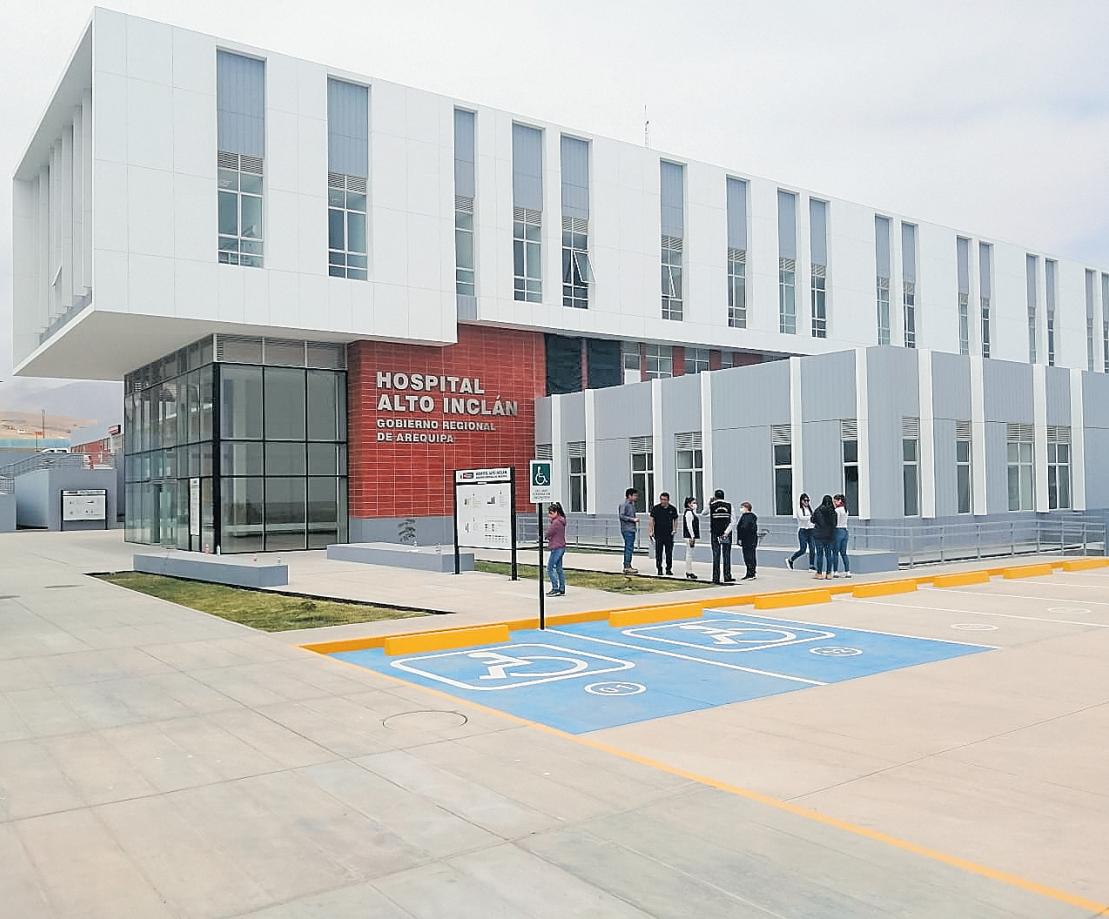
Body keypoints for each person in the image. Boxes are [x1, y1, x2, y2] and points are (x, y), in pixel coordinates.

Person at [708, 489, 736, 584]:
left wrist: (709, 502)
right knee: (726, 554)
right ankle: (727, 576)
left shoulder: (712, 505)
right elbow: (733, 521)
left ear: (715, 496)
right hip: (726, 533)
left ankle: (716, 577)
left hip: (715, 533)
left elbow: (704, 512)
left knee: (716, 555)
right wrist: (726, 532)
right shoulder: (729, 505)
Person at [648, 492, 679, 575]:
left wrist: (674, 529)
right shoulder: (656, 509)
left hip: (669, 534)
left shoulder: (672, 509)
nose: (663, 501)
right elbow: (651, 520)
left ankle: (668, 569)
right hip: (658, 534)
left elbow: (676, 519)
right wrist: (651, 531)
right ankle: (659, 568)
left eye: (665, 500)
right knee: (658, 552)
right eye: (661, 499)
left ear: (668, 500)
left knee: (669, 553)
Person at [810, 494, 838, 580]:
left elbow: (812, 520)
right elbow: (835, 524)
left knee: (819, 555)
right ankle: (829, 573)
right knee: (829, 555)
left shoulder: (818, 510)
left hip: (819, 535)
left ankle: (819, 573)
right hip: (829, 536)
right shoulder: (833, 512)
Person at [787, 494, 814, 571]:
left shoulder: (810, 509)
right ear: (802, 501)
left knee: (812, 548)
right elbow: (802, 518)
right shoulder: (799, 509)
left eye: (808, 500)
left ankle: (812, 565)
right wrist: (811, 517)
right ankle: (791, 559)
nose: (807, 502)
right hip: (803, 530)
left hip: (811, 530)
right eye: (805, 500)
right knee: (803, 549)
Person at [545, 502, 567, 596]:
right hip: (561, 546)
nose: (549, 515)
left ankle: (555, 588)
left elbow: (548, 533)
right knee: (559, 569)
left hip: (556, 547)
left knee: (550, 568)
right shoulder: (561, 520)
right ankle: (562, 588)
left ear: (556, 512)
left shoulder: (556, 522)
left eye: (551, 513)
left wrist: (546, 536)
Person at [619, 488, 639, 574]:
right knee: (629, 547)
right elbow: (621, 516)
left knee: (630, 547)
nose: (636, 497)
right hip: (627, 529)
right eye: (634, 495)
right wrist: (632, 519)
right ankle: (627, 566)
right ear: (629, 496)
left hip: (632, 529)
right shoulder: (624, 505)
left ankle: (628, 565)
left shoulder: (632, 505)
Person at [736, 501, 759, 580]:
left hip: (748, 539)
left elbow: (743, 527)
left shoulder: (747, 517)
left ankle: (751, 573)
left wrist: (740, 538)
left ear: (746, 508)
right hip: (750, 539)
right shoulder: (750, 516)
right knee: (750, 556)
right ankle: (750, 572)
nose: (741, 509)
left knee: (749, 556)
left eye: (742, 507)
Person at [832, 493, 852, 579]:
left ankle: (836, 571)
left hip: (838, 530)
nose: (834, 503)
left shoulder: (837, 510)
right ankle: (847, 571)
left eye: (835, 501)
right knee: (843, 553)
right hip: (845, 531)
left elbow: (835, 522)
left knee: (835, 552)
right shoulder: (846, 510)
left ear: (839, 501)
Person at [682, 496, 700, 580]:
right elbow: (689, 525)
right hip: (689, 536)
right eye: (694, 503)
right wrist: (692, 536)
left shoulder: (692, 512)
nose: (695, 504)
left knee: (690, 554)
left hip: (690, 536)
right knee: (689, 554)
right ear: (689, 504)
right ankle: (688, 571)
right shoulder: (689, 513)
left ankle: (689, 571)